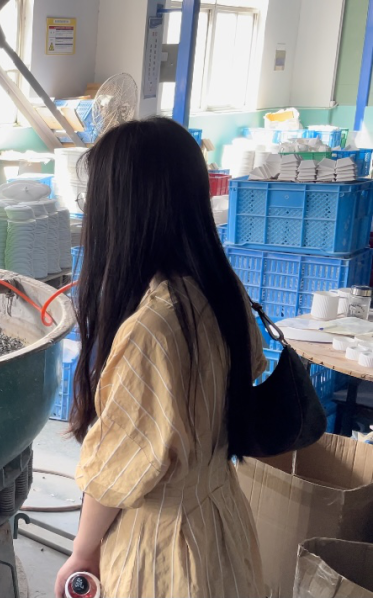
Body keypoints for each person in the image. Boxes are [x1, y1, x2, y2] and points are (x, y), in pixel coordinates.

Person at [54, 118, 266, 598]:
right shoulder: (222, 288)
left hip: (164, 545)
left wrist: (83, 552)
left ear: (123, 210)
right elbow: (250, 371)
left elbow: (117, 471)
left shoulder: (153, 328)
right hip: (221, 519)